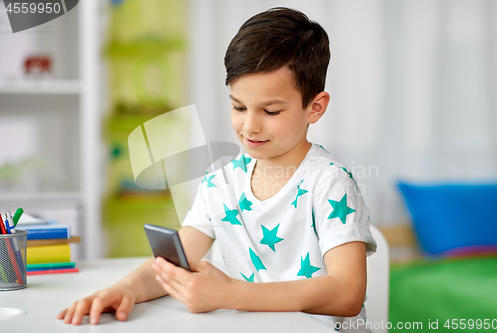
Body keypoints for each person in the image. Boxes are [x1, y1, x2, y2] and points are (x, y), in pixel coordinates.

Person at [58, 7, 377, 331]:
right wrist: (123, 290)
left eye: (270, 110)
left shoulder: (330, 183)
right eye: (238, 106)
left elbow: (348, 293)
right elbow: (172, 263)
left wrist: (231, 294)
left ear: (315, 107)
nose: (249, 125)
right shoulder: (221, 182)